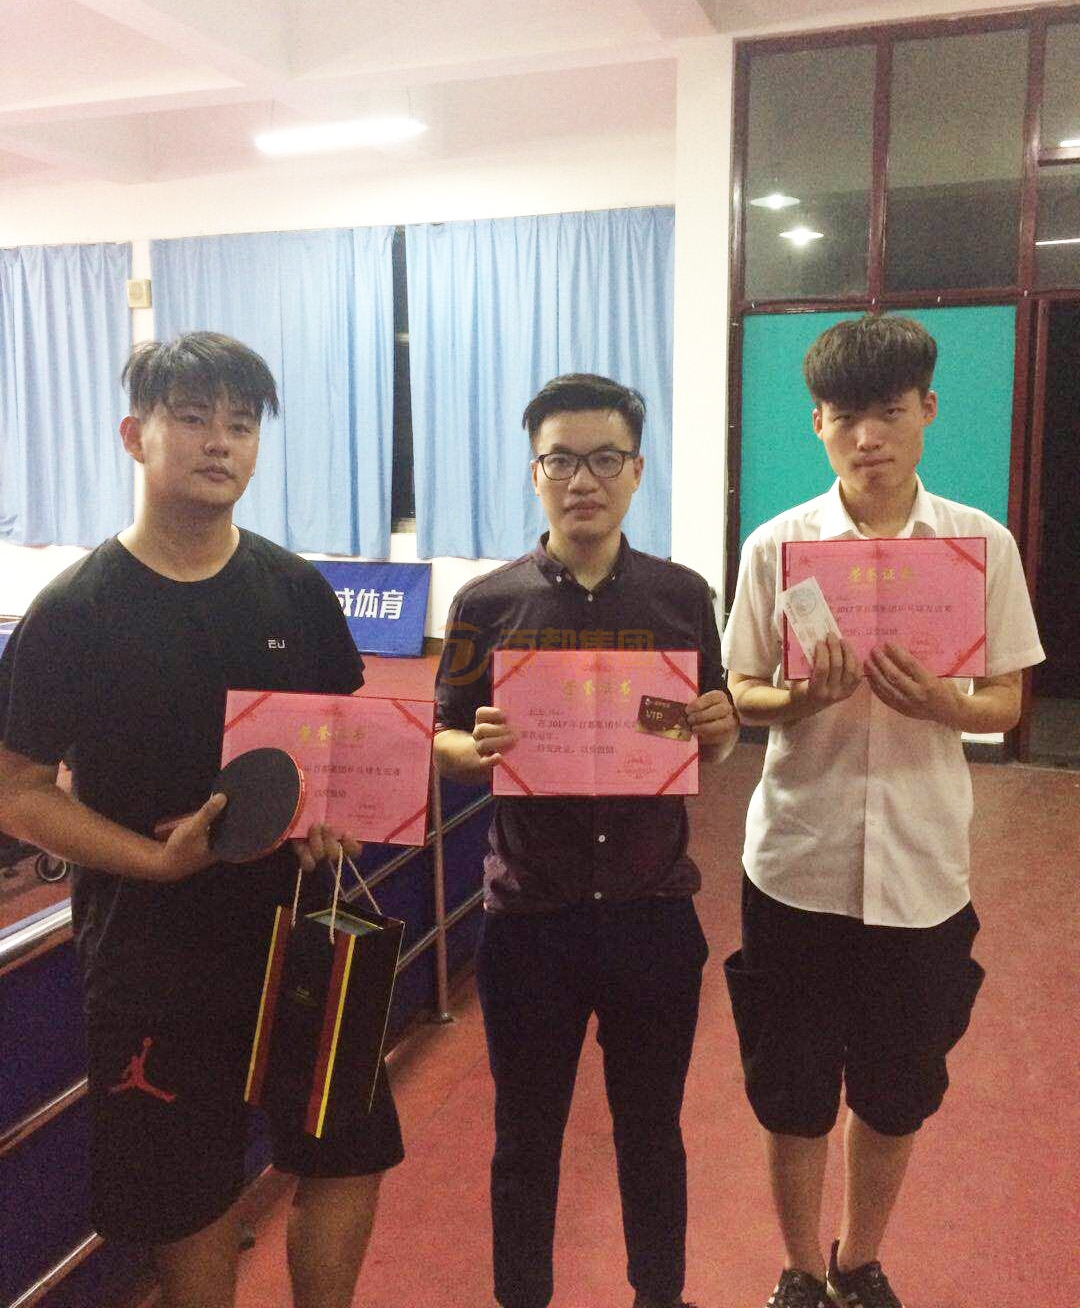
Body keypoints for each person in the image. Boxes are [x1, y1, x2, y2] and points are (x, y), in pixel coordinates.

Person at [0, 333, 404, 1308]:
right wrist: (151, 861)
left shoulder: (295, 590)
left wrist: (334, 816)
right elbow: (16, 789)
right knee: (192, 1203)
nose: (221, 442)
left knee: (348, 1157)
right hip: (153, 958)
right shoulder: (75, 611)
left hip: (305, 937)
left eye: (241, 423)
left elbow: (338, 744)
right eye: (192, 418)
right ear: (134, 435)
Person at [721, 315, 1044, 1308]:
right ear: (818, 424)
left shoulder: (979, 546)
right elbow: (741, 690)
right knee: (792, 1092)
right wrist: (799, 700)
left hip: (921, 871)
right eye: (846, 417)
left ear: (927, 411)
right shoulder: (778, 547)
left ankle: (858, 1261)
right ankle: (798, 1270)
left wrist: (946, 703)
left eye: (891, 413)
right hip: (797, 862)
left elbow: (1005, 700)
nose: (869, 438)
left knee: (897, 1093)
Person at [433, 373, 740, 1308]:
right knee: (524, 1140)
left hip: (653, 913)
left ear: (637, 471)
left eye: (605, 459)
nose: (583, 480)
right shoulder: (485, 606)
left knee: (653, 1133)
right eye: (561, 460)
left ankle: (661, 1295)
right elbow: (444, 739)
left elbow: (707, 731)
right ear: (534, 472)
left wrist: (720, 731)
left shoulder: (682, 597)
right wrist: (475, 748)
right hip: (531, 918)